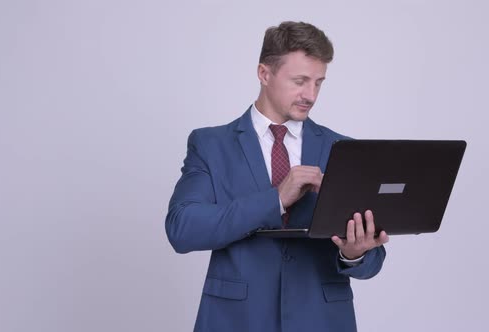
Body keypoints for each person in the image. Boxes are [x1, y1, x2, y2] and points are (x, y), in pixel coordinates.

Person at [165, 21, 389, 332]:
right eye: (300, 81)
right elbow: (182, 229)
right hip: (236, 321)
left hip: (322, 322)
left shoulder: (344, 150)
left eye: (319, 83)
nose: (310, 95)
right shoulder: (210, 144)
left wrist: (354, 253)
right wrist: (276, 200)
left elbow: (374, 259)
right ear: (264, 73)